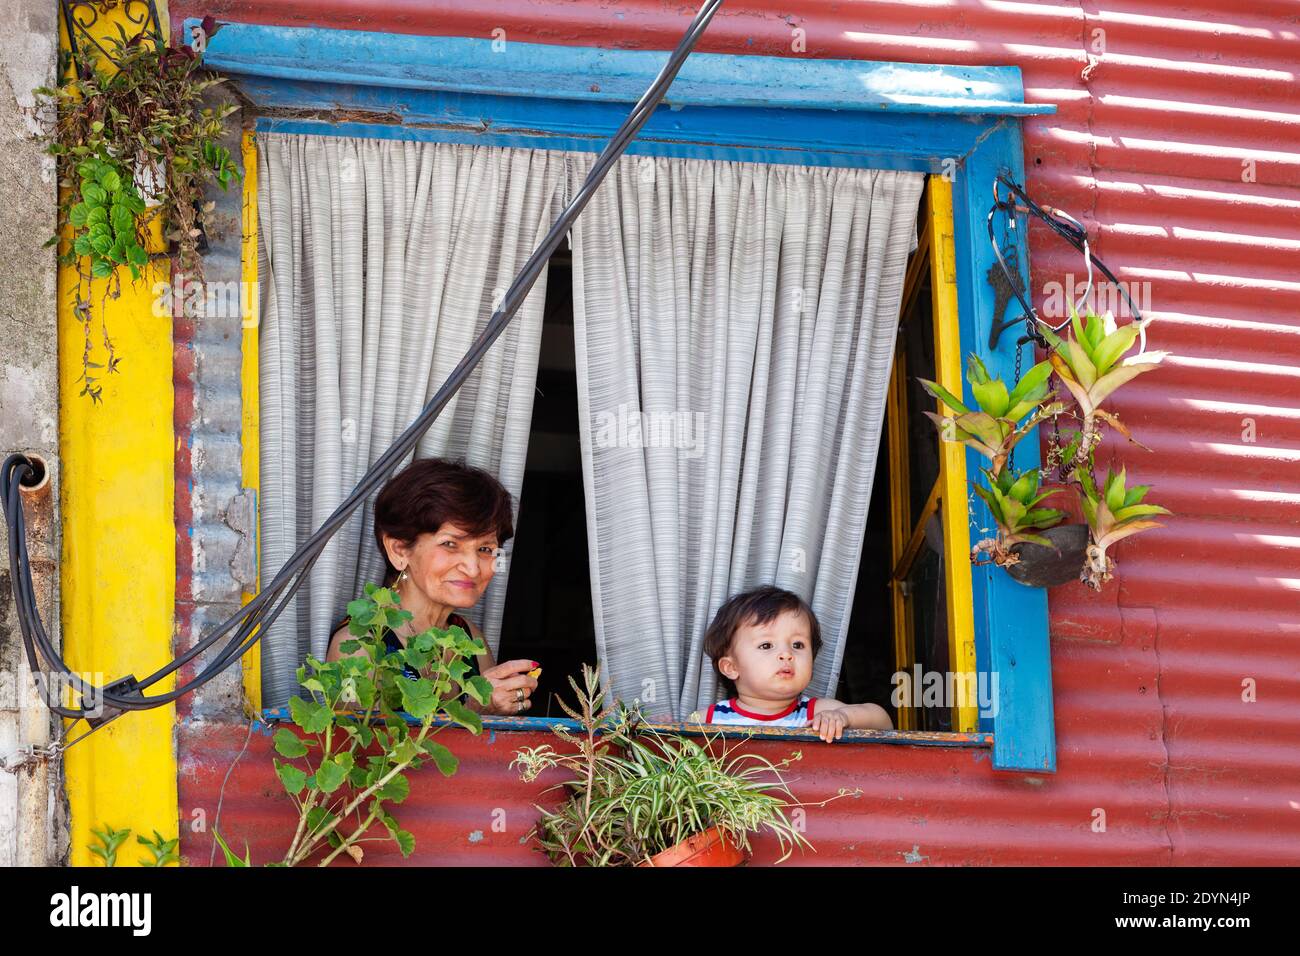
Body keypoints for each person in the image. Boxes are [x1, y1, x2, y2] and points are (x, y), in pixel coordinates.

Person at [326, 457, 539, 716]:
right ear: (399, 550)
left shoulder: (467, 636)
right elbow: (357, 750)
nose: (473, 568)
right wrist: (471, 707)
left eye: (485, 549)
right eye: (450, 544)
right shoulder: (361, 644)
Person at [696, 585, 893, 741]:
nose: (786, 654)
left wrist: (844, 717)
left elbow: (883, 722)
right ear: (731, 667)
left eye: (798, 645)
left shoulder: (815, 713)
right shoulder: (709, 720)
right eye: (766, 645)